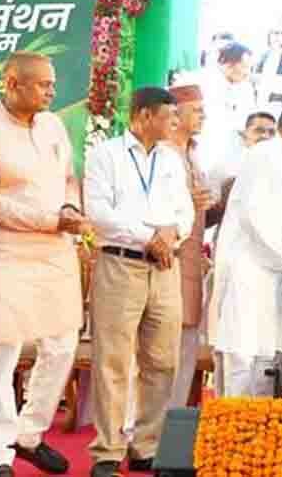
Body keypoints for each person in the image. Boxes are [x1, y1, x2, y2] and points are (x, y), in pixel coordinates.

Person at [0, 52, 87, 477]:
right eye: (44, 84)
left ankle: (29, 434)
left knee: (63, 344)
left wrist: (69, 207)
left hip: (55, 251)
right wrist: (51, 220)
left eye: (52, 83)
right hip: (7, 253)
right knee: (3, 352)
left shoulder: (52, 126)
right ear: (12, 84)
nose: (52, 91)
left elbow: (68, 178)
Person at [83, 87, 195, 477]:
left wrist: (172, 235)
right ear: (145, 116)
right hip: (120, 263)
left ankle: (146, 446)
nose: (175, 124)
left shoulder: (171, 158)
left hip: (165, 267)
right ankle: (108, 452)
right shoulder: (105, 154)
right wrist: (148, 237)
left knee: (163, 360)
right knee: (113, 361)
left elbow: (185, 210)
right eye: (169, 117)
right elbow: (98, 212)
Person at [211, 103, 282, 397]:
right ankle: (233, 423)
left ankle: (259, 420)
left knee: (267, 354)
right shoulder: (264, 155)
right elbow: (253, 216)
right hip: (248, 265)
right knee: (242, 354)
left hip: (271, 267)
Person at [164, 85, 218, 408]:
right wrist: (189, 201)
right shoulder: (161, 152)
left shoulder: (194, 154)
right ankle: (140, 426)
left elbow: (199, 216)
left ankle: (172, 420)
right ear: (175, 114)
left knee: (185, 345)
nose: (203, 116)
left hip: (192, 263)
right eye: (197, 110)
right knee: (158, 346)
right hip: (164, 262)